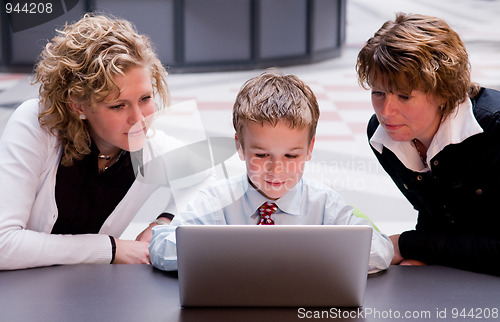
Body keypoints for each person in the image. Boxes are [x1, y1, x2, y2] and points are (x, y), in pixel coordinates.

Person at [149, 70, 394, 273]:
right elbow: (160, 245)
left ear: (310, 149)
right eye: (262, 155)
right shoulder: (216, 201)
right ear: (240, 146)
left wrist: (305, 254)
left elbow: (381, 249)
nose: (276, 169)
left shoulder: (323, 205)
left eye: (291, 155)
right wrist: (234, 252)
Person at [0, 14, 186, 270]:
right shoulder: (35, 125)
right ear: (77, 105)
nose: (139, 119)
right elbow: (3, 244)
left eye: (145, 99)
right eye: (118, 105)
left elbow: (211, 177)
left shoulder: (149, 146)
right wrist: (111, 248)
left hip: (93, 296)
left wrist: (164, 222)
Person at [357, 12, 500, 274]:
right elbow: (438, 217)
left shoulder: (494, 130)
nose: (386, 111)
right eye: (378, 93)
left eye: (404, 96)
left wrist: (407, 244)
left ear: (443, 92)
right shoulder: (381, 135)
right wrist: (418, 254)